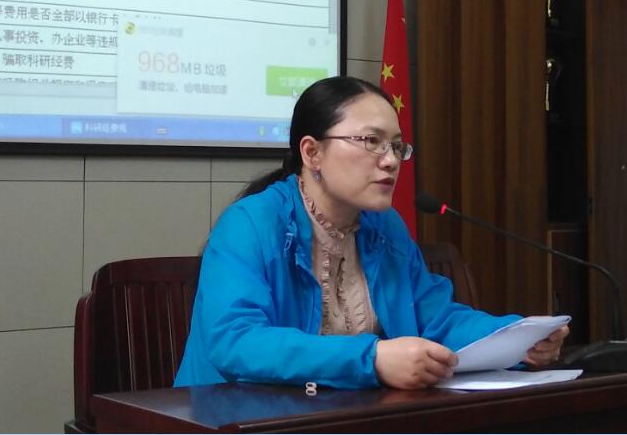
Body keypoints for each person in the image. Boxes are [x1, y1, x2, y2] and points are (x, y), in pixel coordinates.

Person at [175, 75, 568, 389]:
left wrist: (514, 337)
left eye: (397, 146)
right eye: (371, 142)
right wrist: (373, 359)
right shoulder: (250, 224)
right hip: (236, 420)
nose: (390, 160)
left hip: (342, 417)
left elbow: (435, 320)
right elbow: (237, 342)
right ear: (312, 152)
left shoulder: (384, 226)